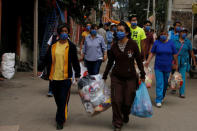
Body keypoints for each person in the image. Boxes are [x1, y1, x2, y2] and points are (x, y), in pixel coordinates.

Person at [103, 21, 145, 131]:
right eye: (118, 30)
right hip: (116, 77)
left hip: (130, 77)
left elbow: (139, 61)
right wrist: (104, 75)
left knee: (127, 102)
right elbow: (110, 62)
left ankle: (125, 114)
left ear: (127, 32)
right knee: (116, 101)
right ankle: (117, 123)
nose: (119, 32)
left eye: (121, 30)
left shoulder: (133, 44)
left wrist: (142, 74)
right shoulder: (114, 46)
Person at [38, 23, 80, 130]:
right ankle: (62, 111)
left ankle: (59, 120)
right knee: (58, 100)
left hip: (66, 78)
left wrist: (78, 74)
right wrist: (40, 68)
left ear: (68, 33)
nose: (64, 33)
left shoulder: (71, 47)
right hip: (54, 77)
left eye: (66, 31)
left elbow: (75, 61)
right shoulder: (53, 46)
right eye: (62, 31)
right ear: (59, 33)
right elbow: (47, 59)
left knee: (62, 99)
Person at [145, 30, 178, 108]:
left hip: (168, 66)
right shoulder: (157, 43)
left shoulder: (171, 43)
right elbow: (152, 53)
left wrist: (176, 64)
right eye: (162, 34)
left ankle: (162, 96)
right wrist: (148, 61)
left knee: (165, 83)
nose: (163, 35)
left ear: (167, 35)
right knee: (160, 83)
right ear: (160, 35)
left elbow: (175, 54)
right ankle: (158, 100)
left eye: (165, 34)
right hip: (158, 67)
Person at [173, 28, 196, 98]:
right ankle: (173, 87)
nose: (184, 33)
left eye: (185, 32)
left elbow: (191, 51)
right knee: (174, 74)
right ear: (179, 33)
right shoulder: (174, 41)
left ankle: (182, 92)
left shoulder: (188, 42)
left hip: (184, 60)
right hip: (175, 59)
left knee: (182, 76)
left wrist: (194, 61)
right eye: (182, 32)